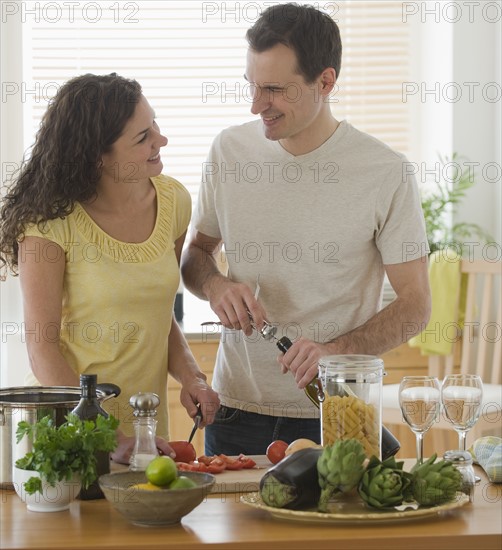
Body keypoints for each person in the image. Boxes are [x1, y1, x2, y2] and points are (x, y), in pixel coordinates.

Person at [181, 3, 431, 456]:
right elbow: (195, 255)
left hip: (337, 413)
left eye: (274, 90)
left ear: (326, 82)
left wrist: (337, 350)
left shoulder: (385, 172)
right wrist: (215, 284)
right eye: (252, 86)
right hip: (235, 412)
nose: (256, 105)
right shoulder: (229, 151)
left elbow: (415, 306)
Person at [0, 73, 220, 463]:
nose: (161, 140)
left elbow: (157, 313)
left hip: (145, 434)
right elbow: (42, 350)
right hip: (68, 434)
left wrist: (193, 378)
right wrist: (108, 437)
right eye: (142, 138)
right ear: (97, 157)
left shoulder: (173, 201)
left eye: (155, 125)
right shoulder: (49, 224)